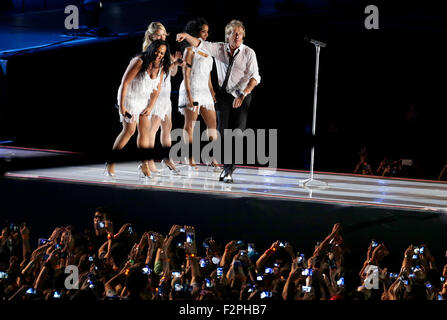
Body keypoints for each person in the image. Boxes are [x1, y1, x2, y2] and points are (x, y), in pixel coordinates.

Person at [177, 19, 261, 183]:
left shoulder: (248, 53)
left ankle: (228, 169)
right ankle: (218, 163)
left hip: (242, 94)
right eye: (232, 33)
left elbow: (255, 77)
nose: (236, 36)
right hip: (223, 95)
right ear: (227, 35)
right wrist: (186, 35)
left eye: (239, 33)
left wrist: (243, 94)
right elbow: (200, 44)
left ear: (243, 35)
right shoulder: (219, 48)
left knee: (236, 133)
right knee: (220, 133)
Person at [105, 39, 171, 179]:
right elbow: (125, 82)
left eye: (162, 53)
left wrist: (150, 106)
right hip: (129, 97)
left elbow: (156, 89)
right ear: (151, 49)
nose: (158, 55)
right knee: (129, 131)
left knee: (145, 132)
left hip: (143, 99)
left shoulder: (161, 66)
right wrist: (121, 105)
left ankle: (144, 165)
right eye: (157, 51)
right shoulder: (139, 61)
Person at [142, 22, 184, 175]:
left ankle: (167, 157)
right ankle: (148, 160)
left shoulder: (165, 50)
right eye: (158, 35)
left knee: (167, 127)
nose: (161, 37)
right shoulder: (151, 51)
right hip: (155, 94)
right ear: (151, 36)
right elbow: (155, 72)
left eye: (163, 35)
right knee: (152, 129)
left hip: (165, 93)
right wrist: (172, 63)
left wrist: (176, 64)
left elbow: (171, 74)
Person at [178, 18, 219, 170]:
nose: (206, 35)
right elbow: (186, 75)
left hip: (205, 91)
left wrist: (212, 91)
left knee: (212, 124)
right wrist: (189, 96)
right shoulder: (189, 50)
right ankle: (189, 157)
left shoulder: (207, 51)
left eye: (207, 32)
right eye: (203, 31)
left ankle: (211, 156)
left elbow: (208, 75)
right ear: (195, 33)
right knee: (190, 125)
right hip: (192, 88)